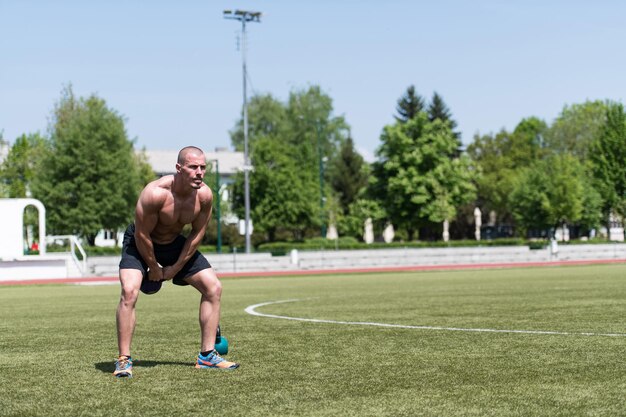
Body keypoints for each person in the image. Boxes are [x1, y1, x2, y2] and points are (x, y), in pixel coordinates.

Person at [114, 146, 239, 377]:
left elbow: (197, 233)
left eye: (203, 167)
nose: (199, 172)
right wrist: (153, 267)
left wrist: (175, 267)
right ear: (179, 169)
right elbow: (142, 234)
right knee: (129, 291)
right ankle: (124, 359)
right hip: (140, 243)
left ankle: (207, 356)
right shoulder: (155, 193)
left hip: (174, 244)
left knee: (213, 287)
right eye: (193, 167)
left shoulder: (204, 195)